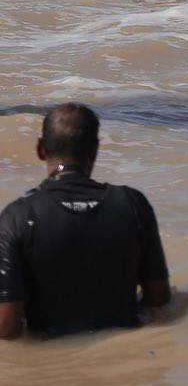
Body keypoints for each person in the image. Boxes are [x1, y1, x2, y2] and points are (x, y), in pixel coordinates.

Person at [0, 102, 170, 339]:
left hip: (53, 363)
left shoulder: (17, 217)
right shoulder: (132, 204)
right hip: (123, 358)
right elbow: (159, 298)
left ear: (40, 149)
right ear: (96, 150)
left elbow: (7, 328)